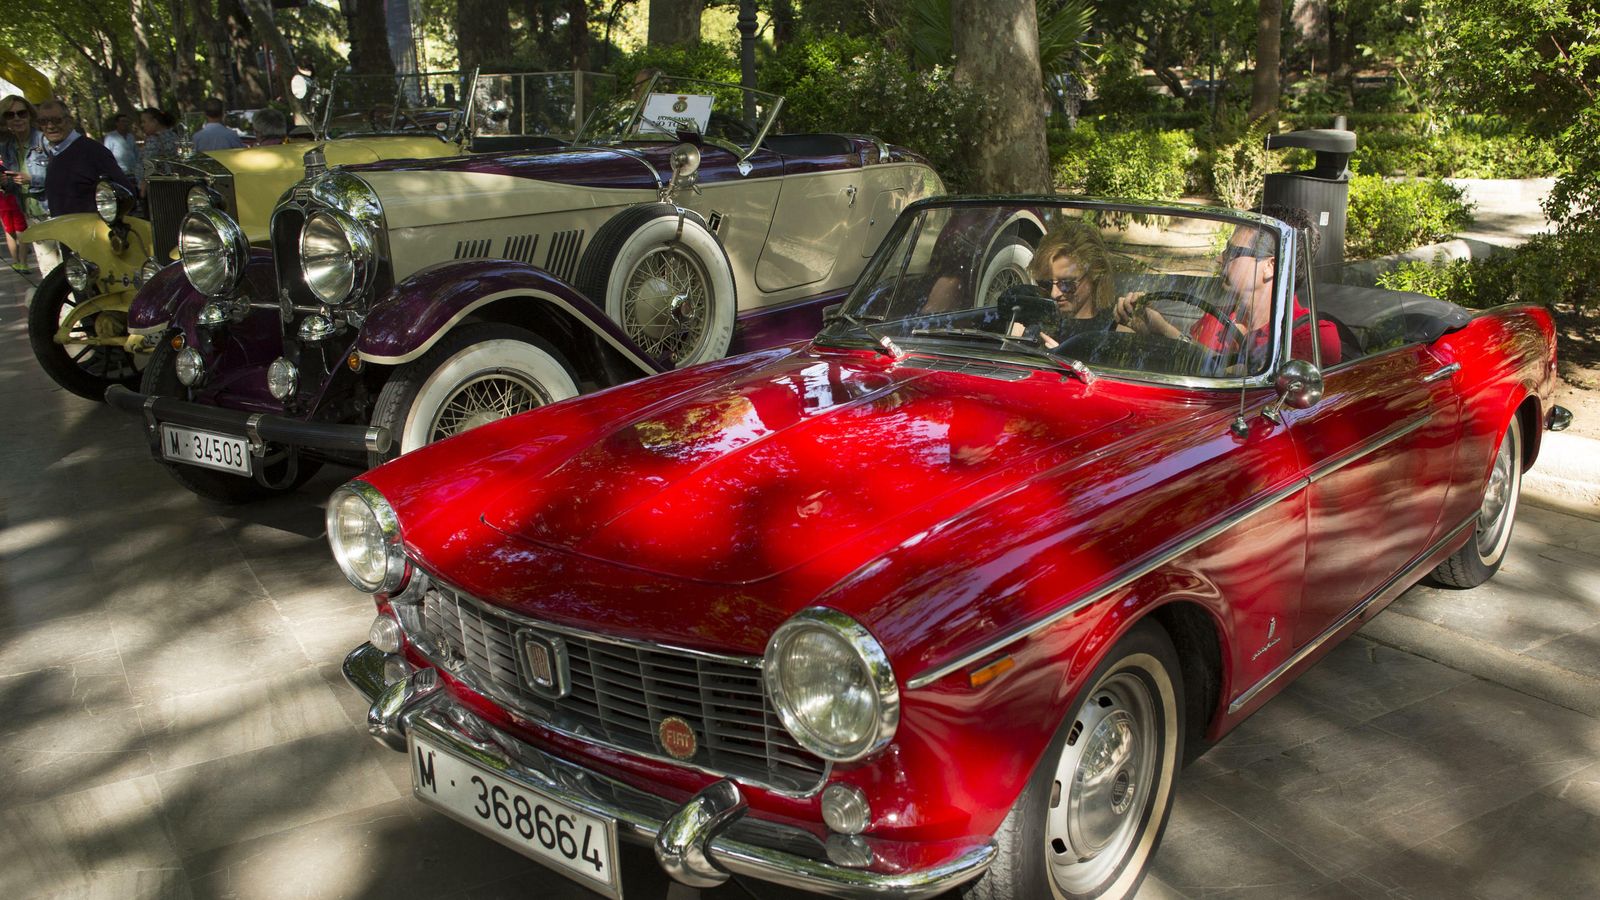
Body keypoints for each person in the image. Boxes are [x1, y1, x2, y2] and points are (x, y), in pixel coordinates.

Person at [1114, 216, 1340, 372]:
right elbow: (1188, 370)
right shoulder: (1216, 317)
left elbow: (1248, 384)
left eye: (1233, 252)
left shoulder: (1311, 335)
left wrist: (1165, 331)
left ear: (1270, 266)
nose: (1220, 258)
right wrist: (1146, 331)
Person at [17, 99, 135, 217]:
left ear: (70, 122)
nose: (50, 126)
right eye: (43, 121)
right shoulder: (55, 152)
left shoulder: (93, 151)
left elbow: (127, 194)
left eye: (57, 120)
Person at [1023, 222, 1119, 348]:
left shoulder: (1113, 326)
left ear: (1094, 275)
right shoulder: (1034, 318)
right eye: (1045, 283)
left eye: (1067, 284)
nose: (1054, 293)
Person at [0, 95, 40, 273]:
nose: (17, 118)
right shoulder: (7, 147)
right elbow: (12, 185)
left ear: (30, 115)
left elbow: (62, 177)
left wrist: (32, 179)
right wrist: (6, 183)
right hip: (30, 213)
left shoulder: (44, 140)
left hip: (53, 211)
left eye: (21, 113)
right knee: (48, 271)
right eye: (10, 115)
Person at [138, 106, 179, 190]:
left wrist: (144, 182)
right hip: (175, 184)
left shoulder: (154, 139)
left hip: (156, 188)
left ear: (155, 122)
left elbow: (149, 163)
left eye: (144, 122)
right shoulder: (174, 135)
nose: (142, 125)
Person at [102, 112, 139, 179]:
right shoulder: (110, 137)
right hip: (120, 172)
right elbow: (106, 155)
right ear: (117, 123)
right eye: (122, 121)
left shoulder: (130, 136)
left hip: (133, 171)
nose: (125, 123)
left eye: (126, 121)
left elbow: (136, 153)